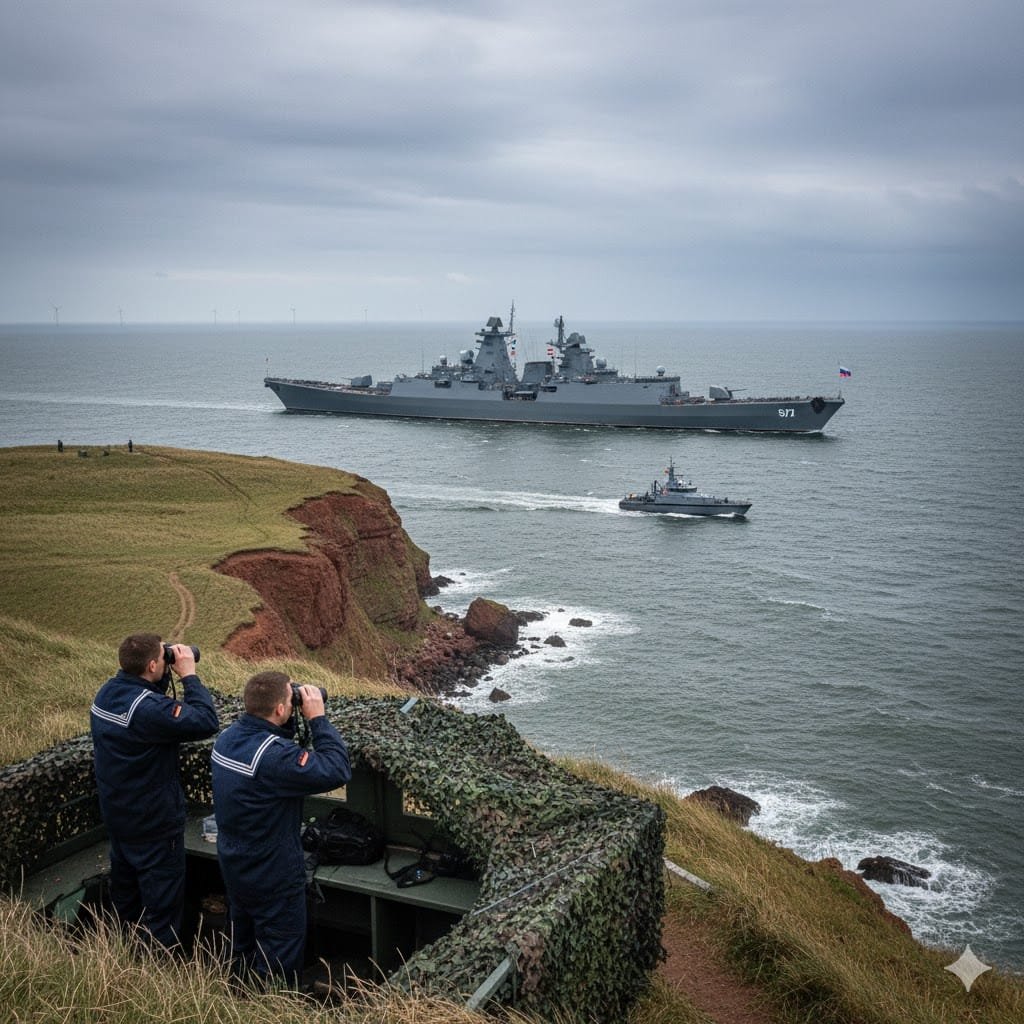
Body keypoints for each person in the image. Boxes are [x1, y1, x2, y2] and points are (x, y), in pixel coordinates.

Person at [211, 671, 351, 986]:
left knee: (242, 943)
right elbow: (337, 769)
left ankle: (236, 999)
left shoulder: (227, 739)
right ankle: (268, 1007)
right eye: (292, 699)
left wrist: (287, 713)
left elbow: (272, 748)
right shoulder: (274, 757)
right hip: (273, 871)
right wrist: (317, 720)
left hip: (235, 863)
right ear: (280, 710)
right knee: (278, 954)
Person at [91, 634, 219, 947]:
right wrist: (188, 675)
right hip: (154, 823)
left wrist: (157, 676)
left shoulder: (106, 694)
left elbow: (147, 710)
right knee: (161, 905)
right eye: (163, 658)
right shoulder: (149, 711)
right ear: (151, 665)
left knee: (127, 897)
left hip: (119, 816)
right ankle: (158, 965)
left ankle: (122, 954)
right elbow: (205, 721)